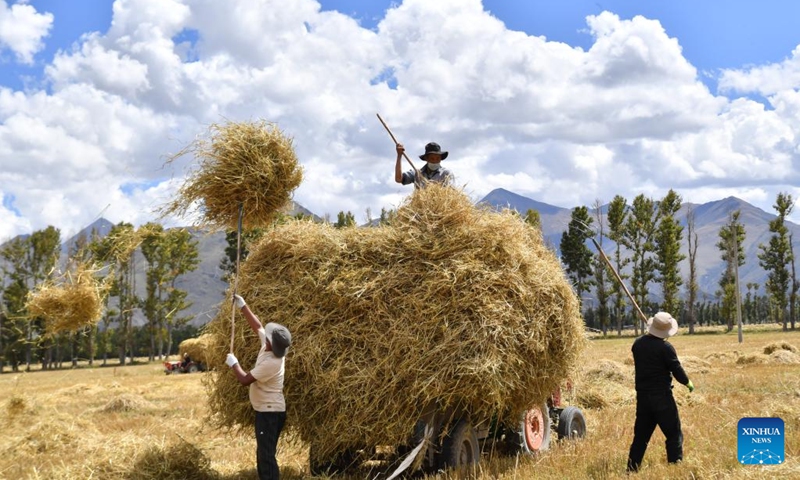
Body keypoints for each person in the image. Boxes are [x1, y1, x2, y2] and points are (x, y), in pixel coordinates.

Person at [225, 294, 292, 480]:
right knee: (263, 454)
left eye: (268, 338)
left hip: (270, 413)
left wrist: (234, 364)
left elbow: (245, 380)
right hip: (267, 410)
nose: (266, 337)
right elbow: (258, 327)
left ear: (272, 344)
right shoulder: (269, 346)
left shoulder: (274, 362)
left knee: (266, 456)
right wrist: (243, 306)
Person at [626, 311, 694, 473]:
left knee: (641, 438)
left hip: (643, 399)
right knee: (674, 434)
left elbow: (647, 349)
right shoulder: (666, 348)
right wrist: (687, 382)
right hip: (662, 399)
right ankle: (675, 467)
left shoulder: (637, 344)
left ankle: (631, 470)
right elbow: (676, 370)